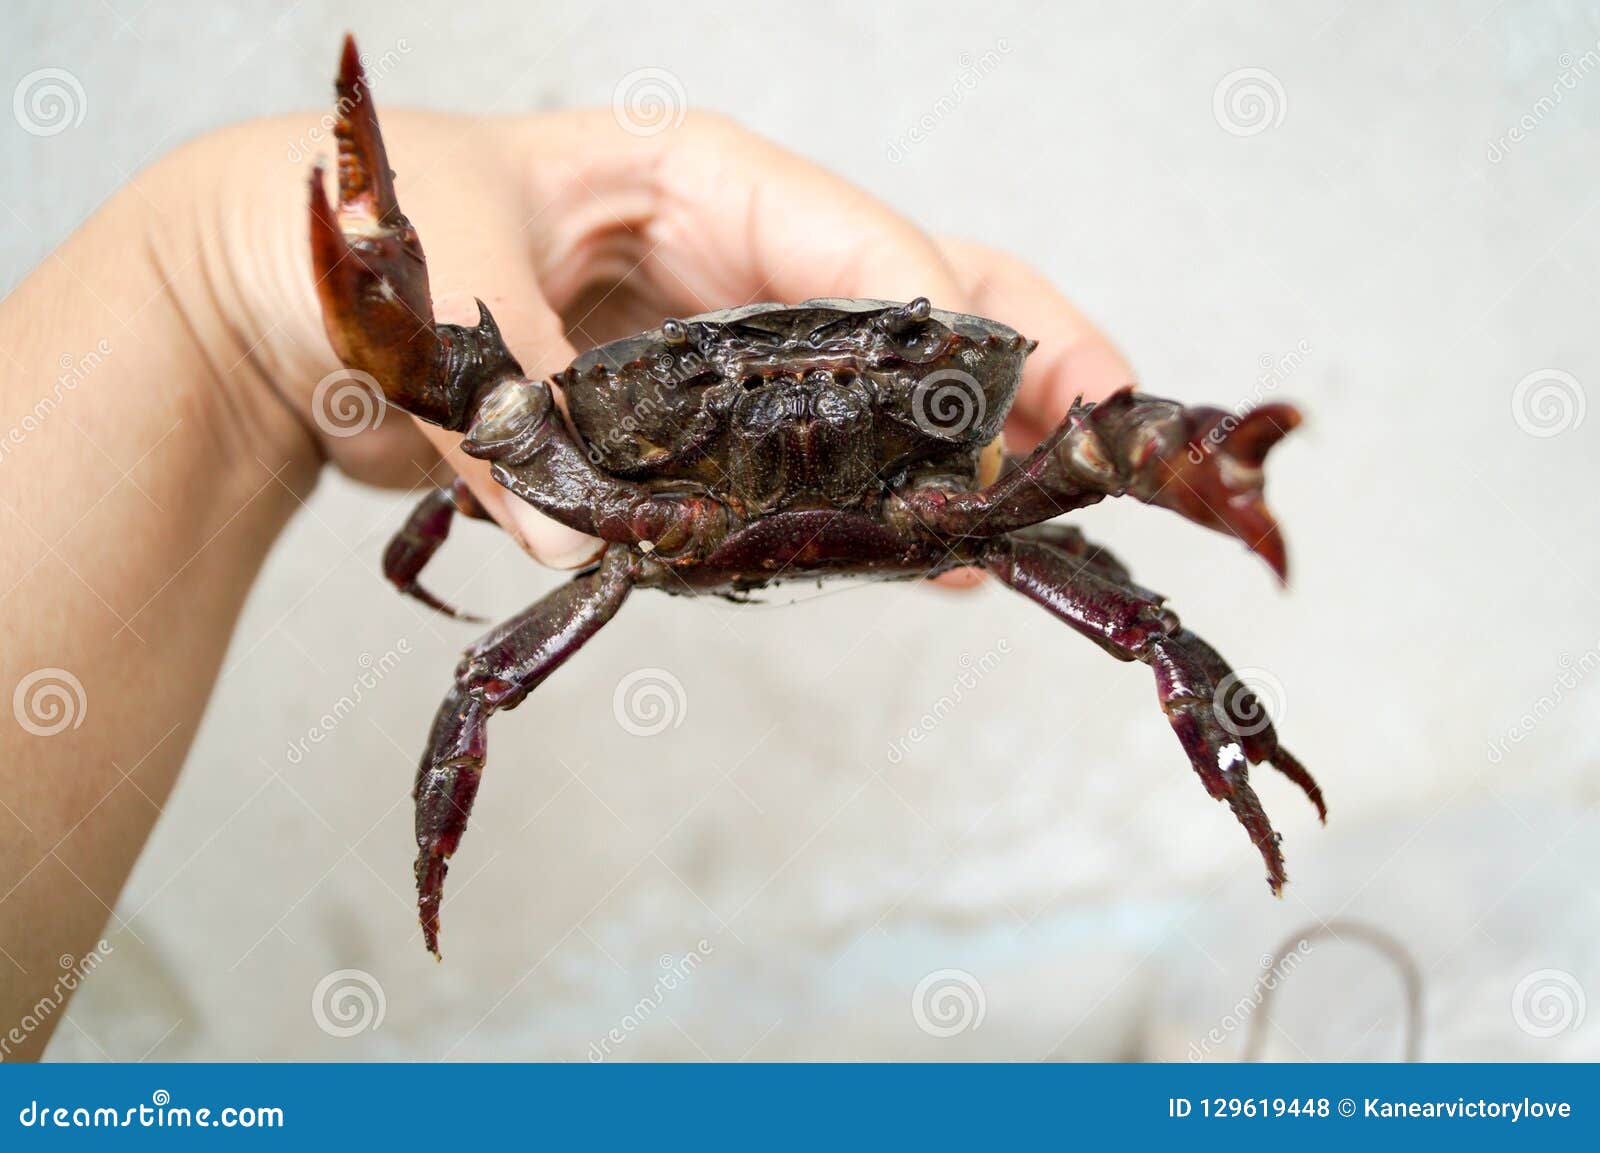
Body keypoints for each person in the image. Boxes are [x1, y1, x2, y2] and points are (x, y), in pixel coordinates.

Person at [0, 101, 1130, 1059]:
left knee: (1125, 595)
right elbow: (483, 446)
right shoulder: (578, 460)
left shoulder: (989, 489)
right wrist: (214, 277)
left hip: (874, 506)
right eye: (706, 380)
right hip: (658, 508)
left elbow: (1123, 456)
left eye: (902, 359)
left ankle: (1237, 751)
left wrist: (207, 298)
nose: (801, 403)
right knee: (481, 686)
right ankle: (433, 877)